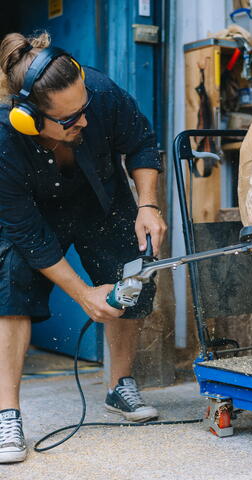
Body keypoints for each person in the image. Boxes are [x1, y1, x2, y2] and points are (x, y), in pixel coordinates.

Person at [0, 31, 167, 463]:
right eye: (70, 119)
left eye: (85, 108)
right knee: (11, 286)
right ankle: (7, 413)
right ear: (30, 119)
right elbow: (28, 235)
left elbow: (142, 143)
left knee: (129, 273)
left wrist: (146, 204)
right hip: (35, 213)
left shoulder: (99, 92)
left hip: (102, 197)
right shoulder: (5, 138)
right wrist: (82, 294)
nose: (85, 122)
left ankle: (120, 385)